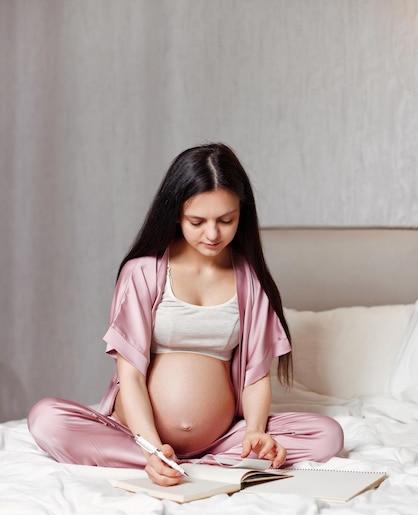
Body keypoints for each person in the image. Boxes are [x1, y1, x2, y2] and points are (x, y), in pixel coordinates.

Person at [28, 143, 343, 486]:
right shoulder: (144, 272)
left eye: (226, 220)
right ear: (176, 214)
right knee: (47, 419)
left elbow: (255, 376)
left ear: (242, 213)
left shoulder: (248, 281)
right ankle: (160, 461)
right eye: (197, 221)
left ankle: (196, 463)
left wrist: (254, 432)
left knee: (328, 435)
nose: (212, 234)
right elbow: (130, 376)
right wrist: (149, 447)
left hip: (222, 440)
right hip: (136, 437)